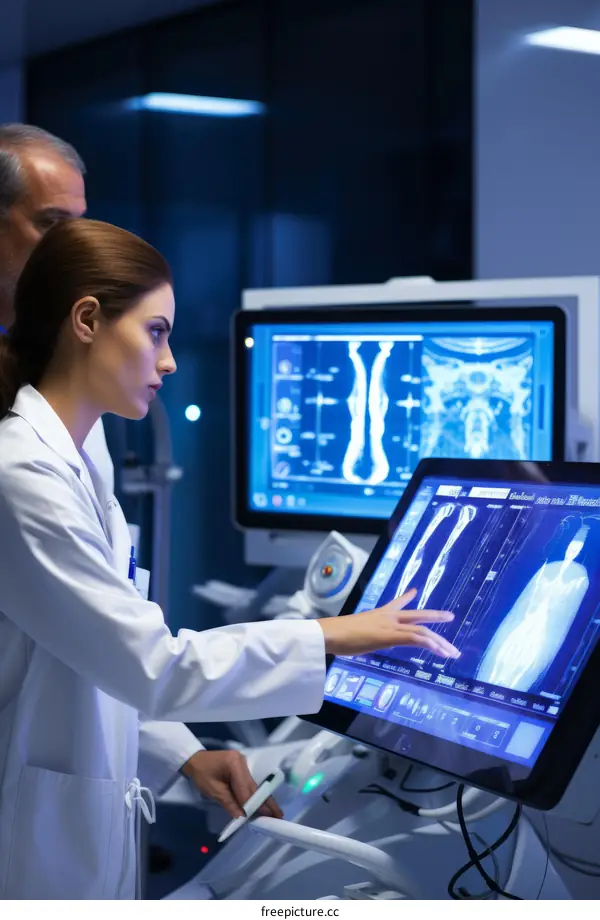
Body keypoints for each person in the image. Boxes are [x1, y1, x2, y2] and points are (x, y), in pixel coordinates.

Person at [0, 217, 460, 899]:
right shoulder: (21, 476)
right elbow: (154, 666)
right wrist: (333, 636)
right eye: (156, 332)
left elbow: (95, 658)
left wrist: (183, 752)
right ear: (88, 320)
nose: (170, 362)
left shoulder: (80, 453)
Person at [0, 122, 274, 829]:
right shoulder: (23, 456)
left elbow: (84, 633)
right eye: (49, 225)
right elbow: (135, 656)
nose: (69, 251)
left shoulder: (66, 426)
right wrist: (341, 638)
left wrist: (174, 749)